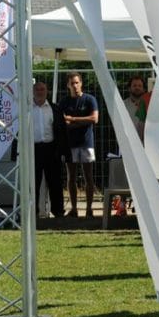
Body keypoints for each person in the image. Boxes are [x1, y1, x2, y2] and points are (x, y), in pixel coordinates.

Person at [59, 72, 99, 218]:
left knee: (89, 176)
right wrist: (82, 122)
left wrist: (73, 119)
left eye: (77, 82)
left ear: (81, 83)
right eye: (72, 83)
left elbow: (94, 119)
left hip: (87, 143)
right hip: (70, 144)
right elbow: (63, 123)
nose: (75, 86)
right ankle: (74, 208)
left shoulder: (90, 99)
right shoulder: (64, 102)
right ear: (68, 85)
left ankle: (89, 208)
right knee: (71, 177)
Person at [32, 82, 70, 218]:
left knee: (55, 181)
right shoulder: (26, 109)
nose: (40, 92)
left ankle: (58, 211)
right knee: (33, 182)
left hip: (51, 149)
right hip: (33, 150)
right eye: (37, 89)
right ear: (32, 91)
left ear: (47, 91)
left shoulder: (55, 108)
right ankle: (33, 212)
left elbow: (62, 131)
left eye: (42, 89)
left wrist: (64, 152)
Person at [124, 75, 147, 141]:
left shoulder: (149, 104)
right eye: (134, 85)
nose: (137, 88)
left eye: (140, 86)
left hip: (147, 143)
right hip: (128, 142)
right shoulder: (123, 104)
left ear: (144, 89)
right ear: (129, 88)